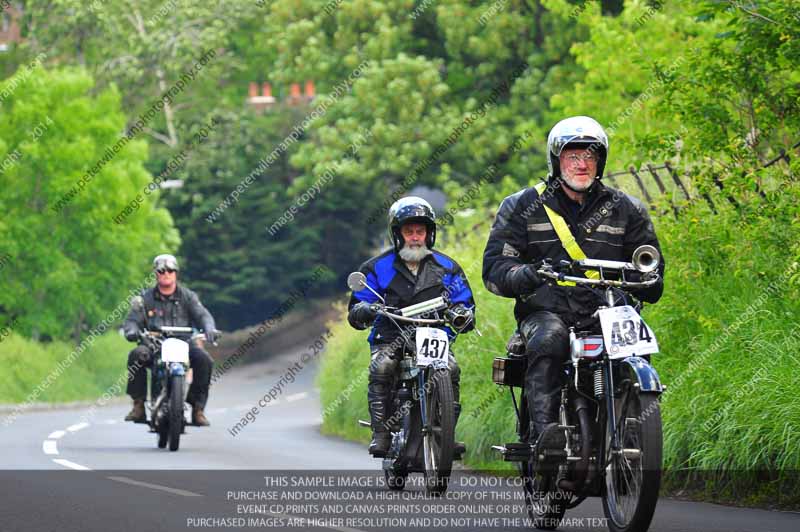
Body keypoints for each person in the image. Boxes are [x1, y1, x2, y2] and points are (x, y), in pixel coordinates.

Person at [482, 116, 665, 450]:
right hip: (547, 309)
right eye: (572, 156)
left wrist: (648, 280)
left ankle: (633, 428)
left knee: (636, 341)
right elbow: (495, 270)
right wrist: (530, 274)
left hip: (607, 309)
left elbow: (651, 268)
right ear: (556, 160)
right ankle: (547, 433)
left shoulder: (627, 209)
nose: (582, 164)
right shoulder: (522, 205)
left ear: (600, 161)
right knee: (550, 339)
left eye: (590, 156)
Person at [348, 196, 476, 457]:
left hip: (433, 334)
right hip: (391, 335)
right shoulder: (376, 267)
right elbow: (358, 306)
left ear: (429, 234)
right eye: (409, 231)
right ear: (398, 234)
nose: (415, 237)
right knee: (382, 366)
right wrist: (367, 309)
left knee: (450, 368)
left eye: (420, 231)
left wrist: (463, 313)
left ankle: (446, 433)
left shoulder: (448, 267)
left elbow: (465, 302)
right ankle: (381, 433)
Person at [122, 254, 219, 426]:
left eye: (170, 270)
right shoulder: (145, 298)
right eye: (161, 270)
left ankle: (198, 409)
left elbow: (203, 315)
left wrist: (210, 329)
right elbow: (132, 320)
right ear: (156, 274)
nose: (166, 273)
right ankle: (138, 405)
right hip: (153, 344)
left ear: (176, 273)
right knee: (136, 355)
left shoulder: (189, 297)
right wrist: (132, 331)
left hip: (184, 343)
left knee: (204, 360)